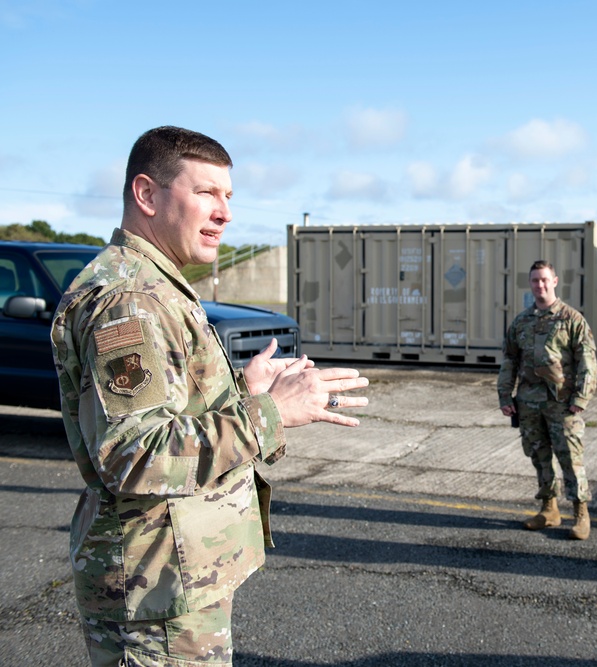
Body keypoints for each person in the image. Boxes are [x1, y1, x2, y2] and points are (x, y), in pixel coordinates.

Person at [50, 126, 371, 666]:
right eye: (206, 193)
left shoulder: (156, 282)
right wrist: (269, 413)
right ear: (147, 195)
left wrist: (244, 394)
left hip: (176, 577)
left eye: (228, 197)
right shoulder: (129, 299)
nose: (225, 213)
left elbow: (169, 414)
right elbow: (135, 455)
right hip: (157, 593)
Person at [497, 260, 597, 540]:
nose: (539, 285)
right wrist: (505, 395)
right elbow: (509, 361)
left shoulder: (572, 319)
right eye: (534, 281)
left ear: (554, 281)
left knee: (570, 458)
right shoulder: (521, 322)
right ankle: (549, 509)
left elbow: (587, 363)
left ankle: (581, 513)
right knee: (539, 457)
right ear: (530, 284)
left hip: (562, 404)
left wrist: (581, 397)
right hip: (529, 403)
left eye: (544, 280)